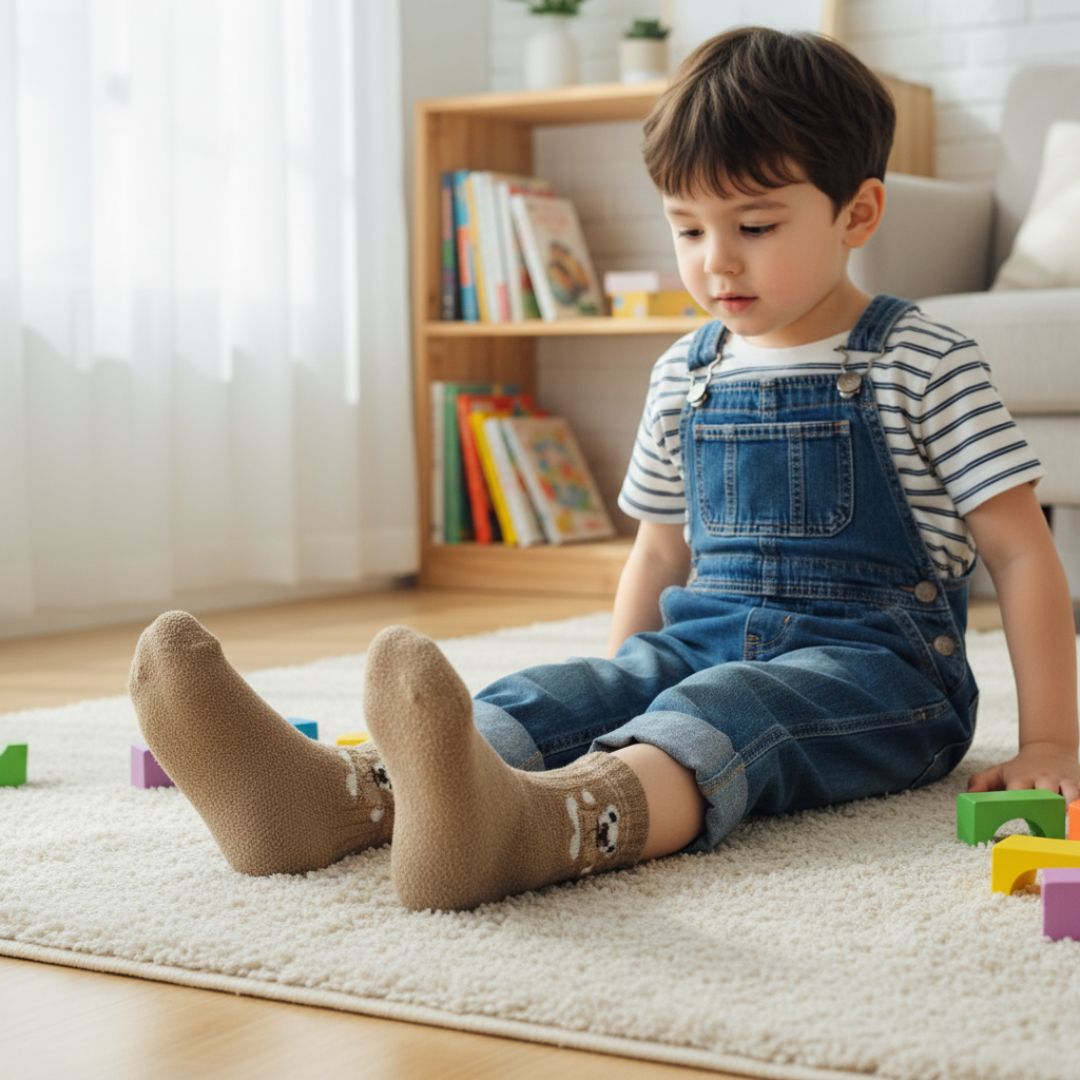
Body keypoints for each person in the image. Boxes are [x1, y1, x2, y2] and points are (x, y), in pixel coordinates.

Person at [128, 26, 1080, 913]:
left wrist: (1050, 743)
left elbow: (1024, 556)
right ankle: (335, 799)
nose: (716, 263)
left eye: (755, 227)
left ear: (858, 211)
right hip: (702, 638)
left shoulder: (923, 360)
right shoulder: (686, 372)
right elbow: (659, 555)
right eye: (688, 229)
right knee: (566, 693)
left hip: (882, 675)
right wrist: (623, 679)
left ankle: (546, 826)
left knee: (725, 709)